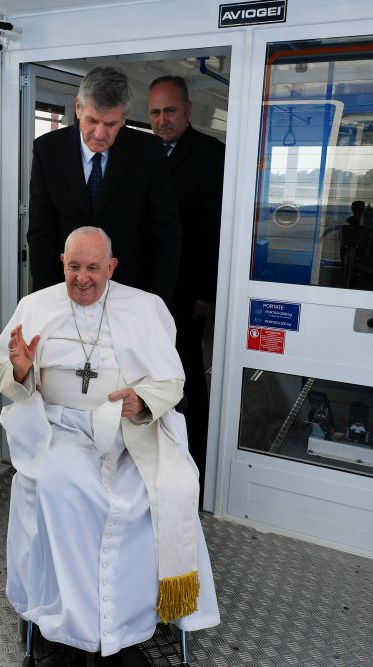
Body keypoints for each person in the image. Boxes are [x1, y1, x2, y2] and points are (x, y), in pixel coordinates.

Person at [0, 227, 219, 666]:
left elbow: (171, 380)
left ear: (111, 267)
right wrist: (20, 372)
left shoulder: (145, 308)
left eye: (93, 267)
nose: (82, 278)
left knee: (146, 496)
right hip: (58, 429)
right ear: (62, 263)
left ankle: (125, 631)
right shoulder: (34, 307)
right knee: (62, 486)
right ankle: (70, 633)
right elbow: (6, 375)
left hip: (129, 432)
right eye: (73, 267)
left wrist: (142, 399)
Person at [27, 66, 180, 305]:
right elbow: (40, 233)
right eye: (92, 121)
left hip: (131, 292)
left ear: (124, 117)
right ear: (78, 108)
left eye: (110, 124)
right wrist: (46, 300)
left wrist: (157, 302)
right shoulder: (48, 150)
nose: (99, 133)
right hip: (66, 291)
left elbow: (166, 233)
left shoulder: (149, 152)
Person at [147, 76, 226, 491]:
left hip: (187, 290)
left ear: (189, 111)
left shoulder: (210, 155)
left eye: (170, 111)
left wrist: (206, 293)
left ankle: (197, 460)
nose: (162, 120)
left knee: (187, 372)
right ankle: (152, 447)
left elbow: (215, 231)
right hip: (147, 289)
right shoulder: (141, 151)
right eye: (156, 112)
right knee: (146, 368)